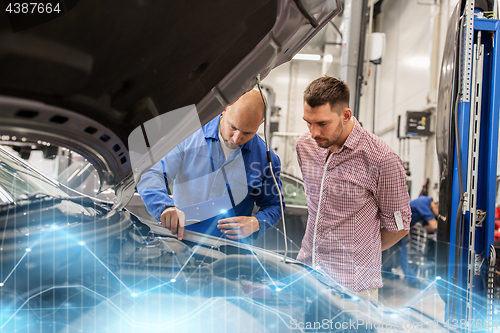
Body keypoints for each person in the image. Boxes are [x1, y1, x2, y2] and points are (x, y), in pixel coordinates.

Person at [295, 76, 411, 302]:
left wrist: (357, 255)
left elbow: (399, 227)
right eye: (308, 122)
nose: (313, 132)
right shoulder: (305, 146)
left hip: (353, 288)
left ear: (346, 115)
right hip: (307, 276)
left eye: (322, 123)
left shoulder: (381, 159)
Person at [138, 89, 283, 241]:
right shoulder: (188, 136)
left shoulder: (266, 159)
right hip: (181, 239)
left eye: (247, 133)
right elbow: (152, 174)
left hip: (230, 251)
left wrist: (256, 222)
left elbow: (275, 205)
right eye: (233, 127)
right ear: (224, 109)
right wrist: (164, 206)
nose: (236, 138)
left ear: (261, 123)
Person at [397, 196, 438, 287]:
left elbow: (428, 227)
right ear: (436, 206)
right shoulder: (423, 201)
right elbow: (434, 225)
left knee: (395, 251)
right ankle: (412, 281)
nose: (436, 216)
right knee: (402, 252)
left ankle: (387, 272)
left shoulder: (426, 207)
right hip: (397, 227)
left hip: (400, 228)